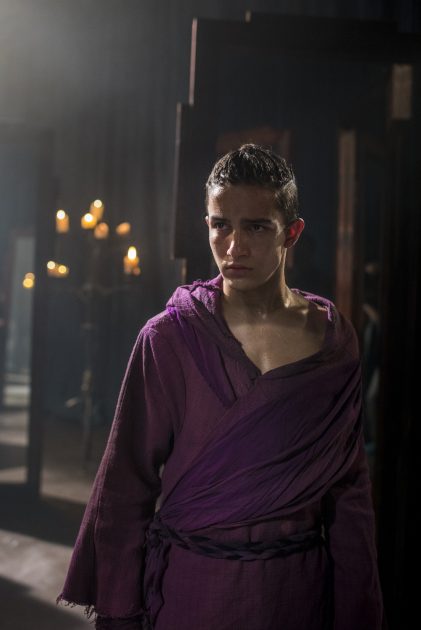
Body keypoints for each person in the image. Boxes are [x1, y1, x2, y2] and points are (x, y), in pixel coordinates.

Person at [56, 144, 387, 629]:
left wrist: (358, 613)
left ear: (291, 232)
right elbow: (125, 485)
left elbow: (348, 491)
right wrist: (121, 614)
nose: (234, 247)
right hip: (193, 590)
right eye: (220, 225)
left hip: (297, 592)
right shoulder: (171, 338)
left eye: (256, 227)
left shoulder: (332, 342)